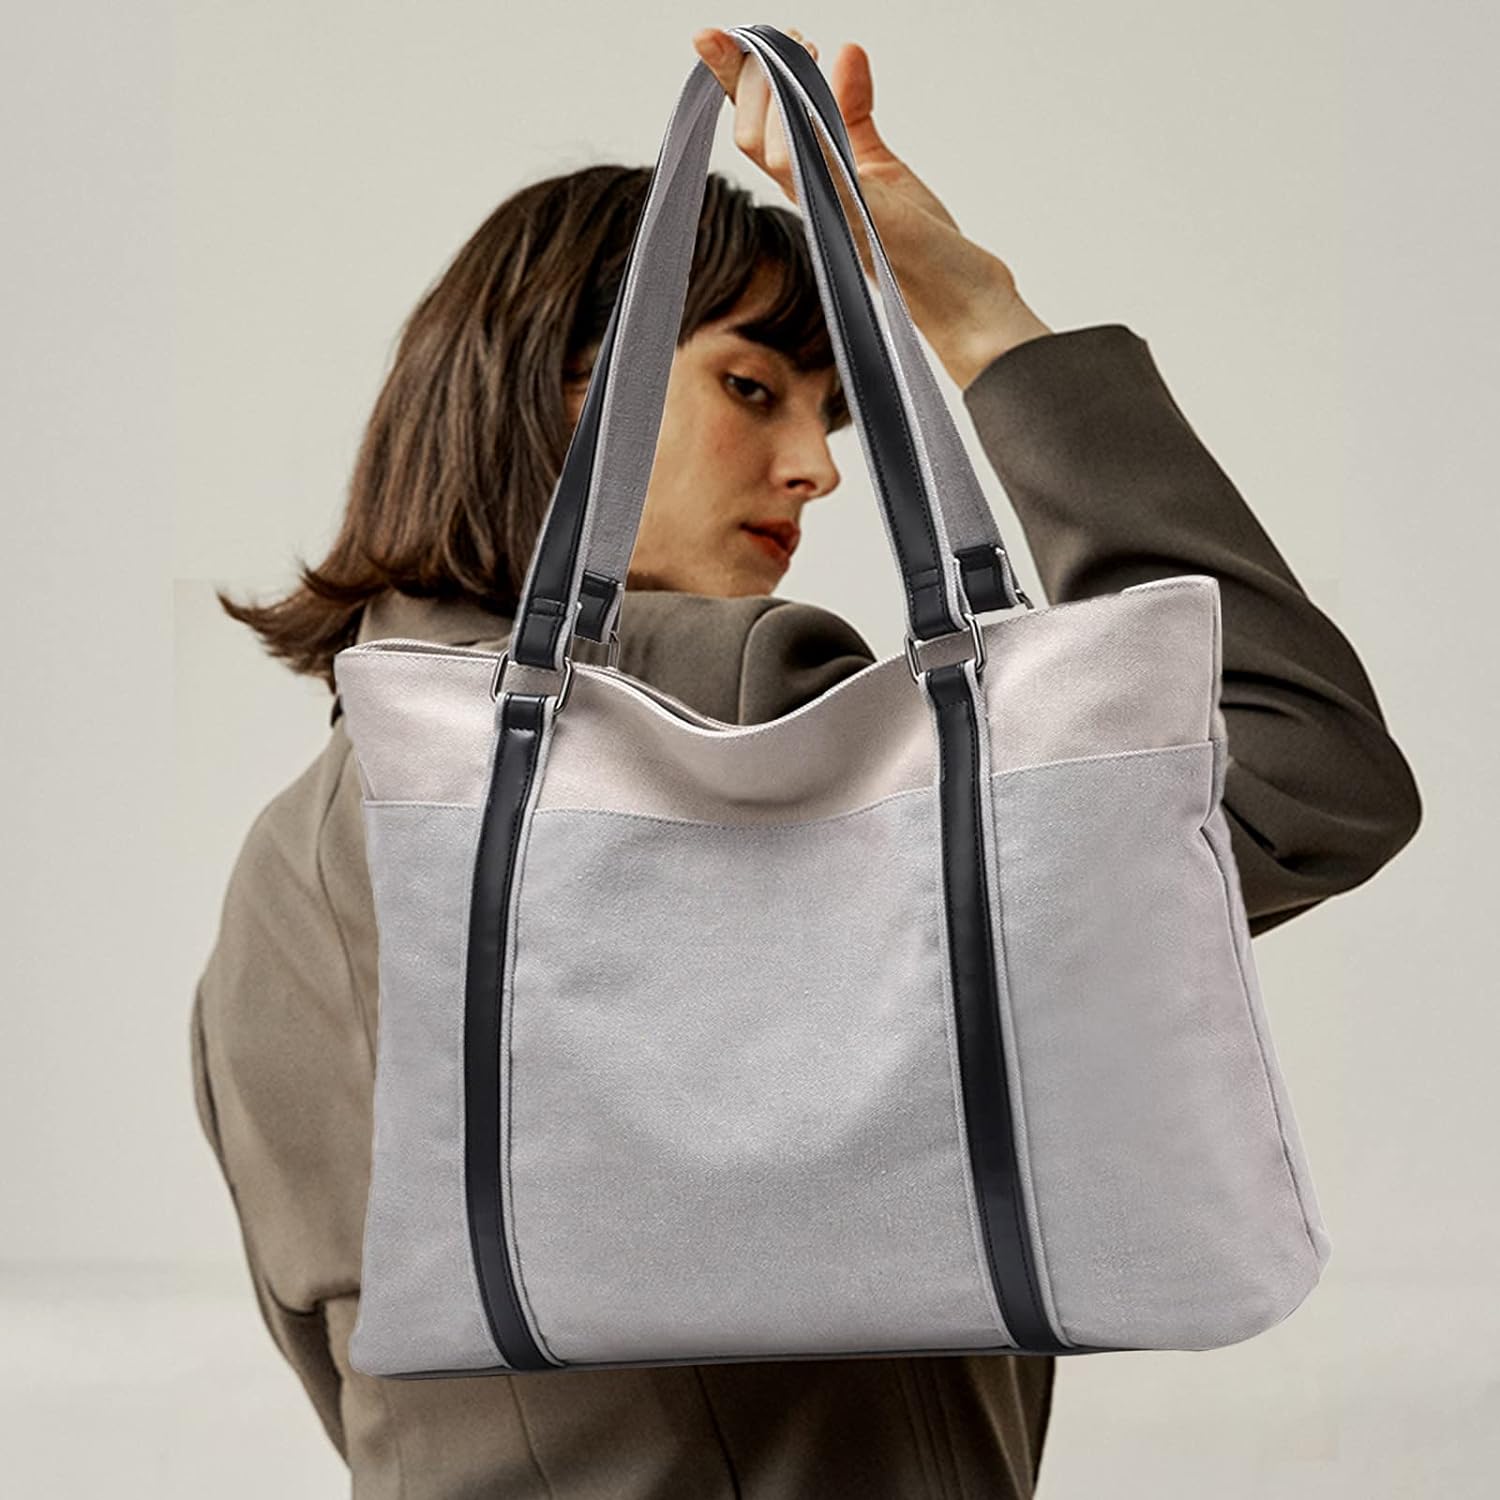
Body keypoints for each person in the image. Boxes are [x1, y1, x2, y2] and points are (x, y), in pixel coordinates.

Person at [189, 27, 1422, 1499]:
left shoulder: (279, 872)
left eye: (831, 412)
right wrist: (976, 313)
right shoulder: (723, 717)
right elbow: (1307, 772)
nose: (820, 468)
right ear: (572, 392)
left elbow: (353, 1369)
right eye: (753, 386)